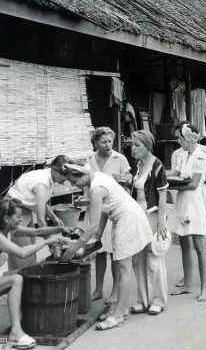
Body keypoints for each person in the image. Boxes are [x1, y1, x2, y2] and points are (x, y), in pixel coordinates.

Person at [62, 163, 153, 330]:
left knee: (124, 267)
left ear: (81, 175)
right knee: (120, 266)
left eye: (74, 182)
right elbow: (103, 213)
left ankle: (118, 315)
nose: (74, 185)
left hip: (129, 218)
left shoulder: (96, 188)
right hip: (122, 217)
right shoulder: (96, 179)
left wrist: (75, 247)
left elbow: (93, 225)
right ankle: (122, 307)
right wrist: (96, 239)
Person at [0, 198, 66, 349]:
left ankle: (28, 318)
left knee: (25, 272)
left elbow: (37, 231)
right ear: (6, 218)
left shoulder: (9, 230)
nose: (21, 219)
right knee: (16, 279)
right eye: (18, 216)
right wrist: (46, 242)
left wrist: (62, 229)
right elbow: (21, 253)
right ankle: (16, 331)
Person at [170, 121, 206, 288]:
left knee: (202, 243)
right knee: (184, 241)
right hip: (183, 201)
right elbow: (175, 174)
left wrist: (171, 185)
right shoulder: (181, 155)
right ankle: (188, 283)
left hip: (196, 200)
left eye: (180, 138)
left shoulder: (200, 155)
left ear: (190, 139)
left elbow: (193, 184)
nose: (178, 141)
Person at [87, 127, 131, 304]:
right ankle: (98, 289)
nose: (108, 145)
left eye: (110, 141)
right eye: (104, 142)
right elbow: (86, 184)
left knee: (113, 250)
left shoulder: (119, 158)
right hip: (96, 208)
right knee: (98, 249)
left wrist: (124, 180)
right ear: (96, 143)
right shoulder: (89, 160)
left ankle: (114, 291)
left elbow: (129, 181)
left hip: (113, 209)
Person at [6, 155, 73, 270]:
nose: (64, 181)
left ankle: (27, 282)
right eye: (64, 177)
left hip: (26, 209)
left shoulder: (49, 177)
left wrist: (53, 217)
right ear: (55, 171)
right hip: (15, 211)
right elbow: (41, 222)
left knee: (32, 250)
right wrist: (52, 242)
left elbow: (40, 201)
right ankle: (18, 282)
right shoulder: (42, 183)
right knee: (23, 254)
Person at [129, 130, 169, 316]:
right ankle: (142, 300)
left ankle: (158, 300)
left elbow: (162, 196)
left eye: (137, 145)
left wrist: (161, 222)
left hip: (150, 214)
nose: (133, 148)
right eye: (132, 145)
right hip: (136, 213)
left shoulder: (157, 165)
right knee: (138, 259)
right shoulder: (138, 164)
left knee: (153, 256)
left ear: (147, 146)